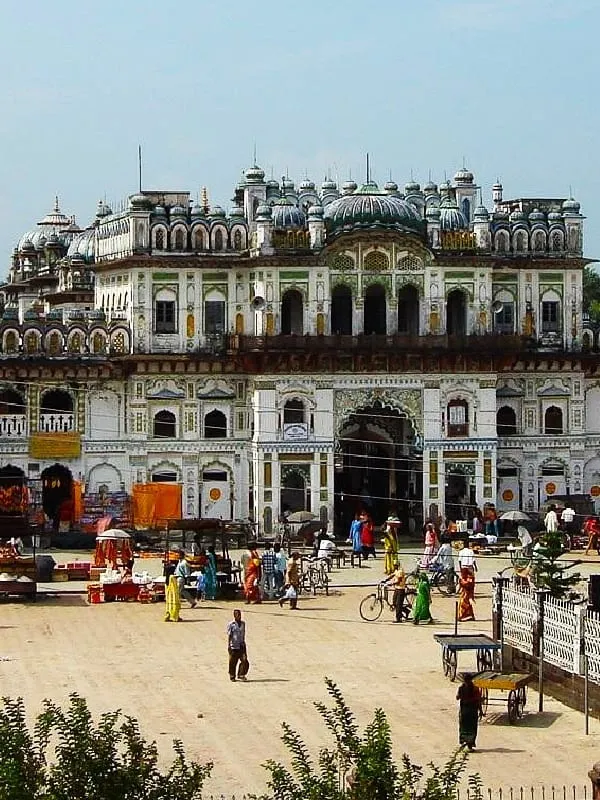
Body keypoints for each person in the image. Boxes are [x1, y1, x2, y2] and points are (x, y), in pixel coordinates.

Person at [457, 673, 482, 750]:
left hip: (464, 710)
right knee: (472, 727)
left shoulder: (461, 688)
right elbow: (478, 701)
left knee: (463, 726)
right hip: (473, 710)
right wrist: (481, 711)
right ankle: (470, 744)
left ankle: (464, 740)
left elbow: (457, 697)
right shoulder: (475, 689)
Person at [227, 609, 249, 682]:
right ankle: (232, 675)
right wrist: (229, 646)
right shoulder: (231, 624)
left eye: (240, 614)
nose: (239, 616)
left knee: (244, 660)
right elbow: (230, 635)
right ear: (234, 615)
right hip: (234, 645)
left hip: (242, 644)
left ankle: (241, 674)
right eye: (237, 614)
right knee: (233, 662)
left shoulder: (243, 623)